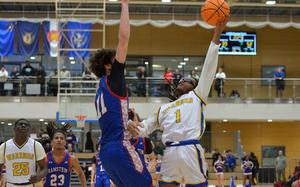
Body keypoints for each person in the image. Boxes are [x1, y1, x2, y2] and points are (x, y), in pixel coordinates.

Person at [128, 18, 228, 187]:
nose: (182, 81)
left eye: (187, 80)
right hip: (170, 151)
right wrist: (131, 124)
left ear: (195, 86)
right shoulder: (164, 108)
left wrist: (217, 34)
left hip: (190, 148)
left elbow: (209, 67)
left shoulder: (197, 96)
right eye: (180, 80)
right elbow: (145, 128)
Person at [89, 0, 152, 186]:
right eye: (114, 59)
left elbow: (116, 117)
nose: (119, 60)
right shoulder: (113, 79)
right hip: (119, 146)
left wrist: (129, 121)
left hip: (105, 153)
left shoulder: (100, 90)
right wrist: (124, 4)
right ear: (109, 65)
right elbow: (124, 37)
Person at [0, 118, 47, 187]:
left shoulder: (36, 145)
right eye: (20, 124)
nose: (23, 125)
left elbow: (44, 169)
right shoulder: (4, 146)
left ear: (29, 130)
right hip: (10, 184)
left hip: (30, 185)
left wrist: (38, 177)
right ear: (14, 128)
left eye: (26, 125)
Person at [44, 122, 87, 187]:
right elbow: (38, 178)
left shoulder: (71, 159)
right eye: (56, 138)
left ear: (65, 142)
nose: (59, 140)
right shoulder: (45, 157)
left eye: (62, 138)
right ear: (52, 142)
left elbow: (80, 173)